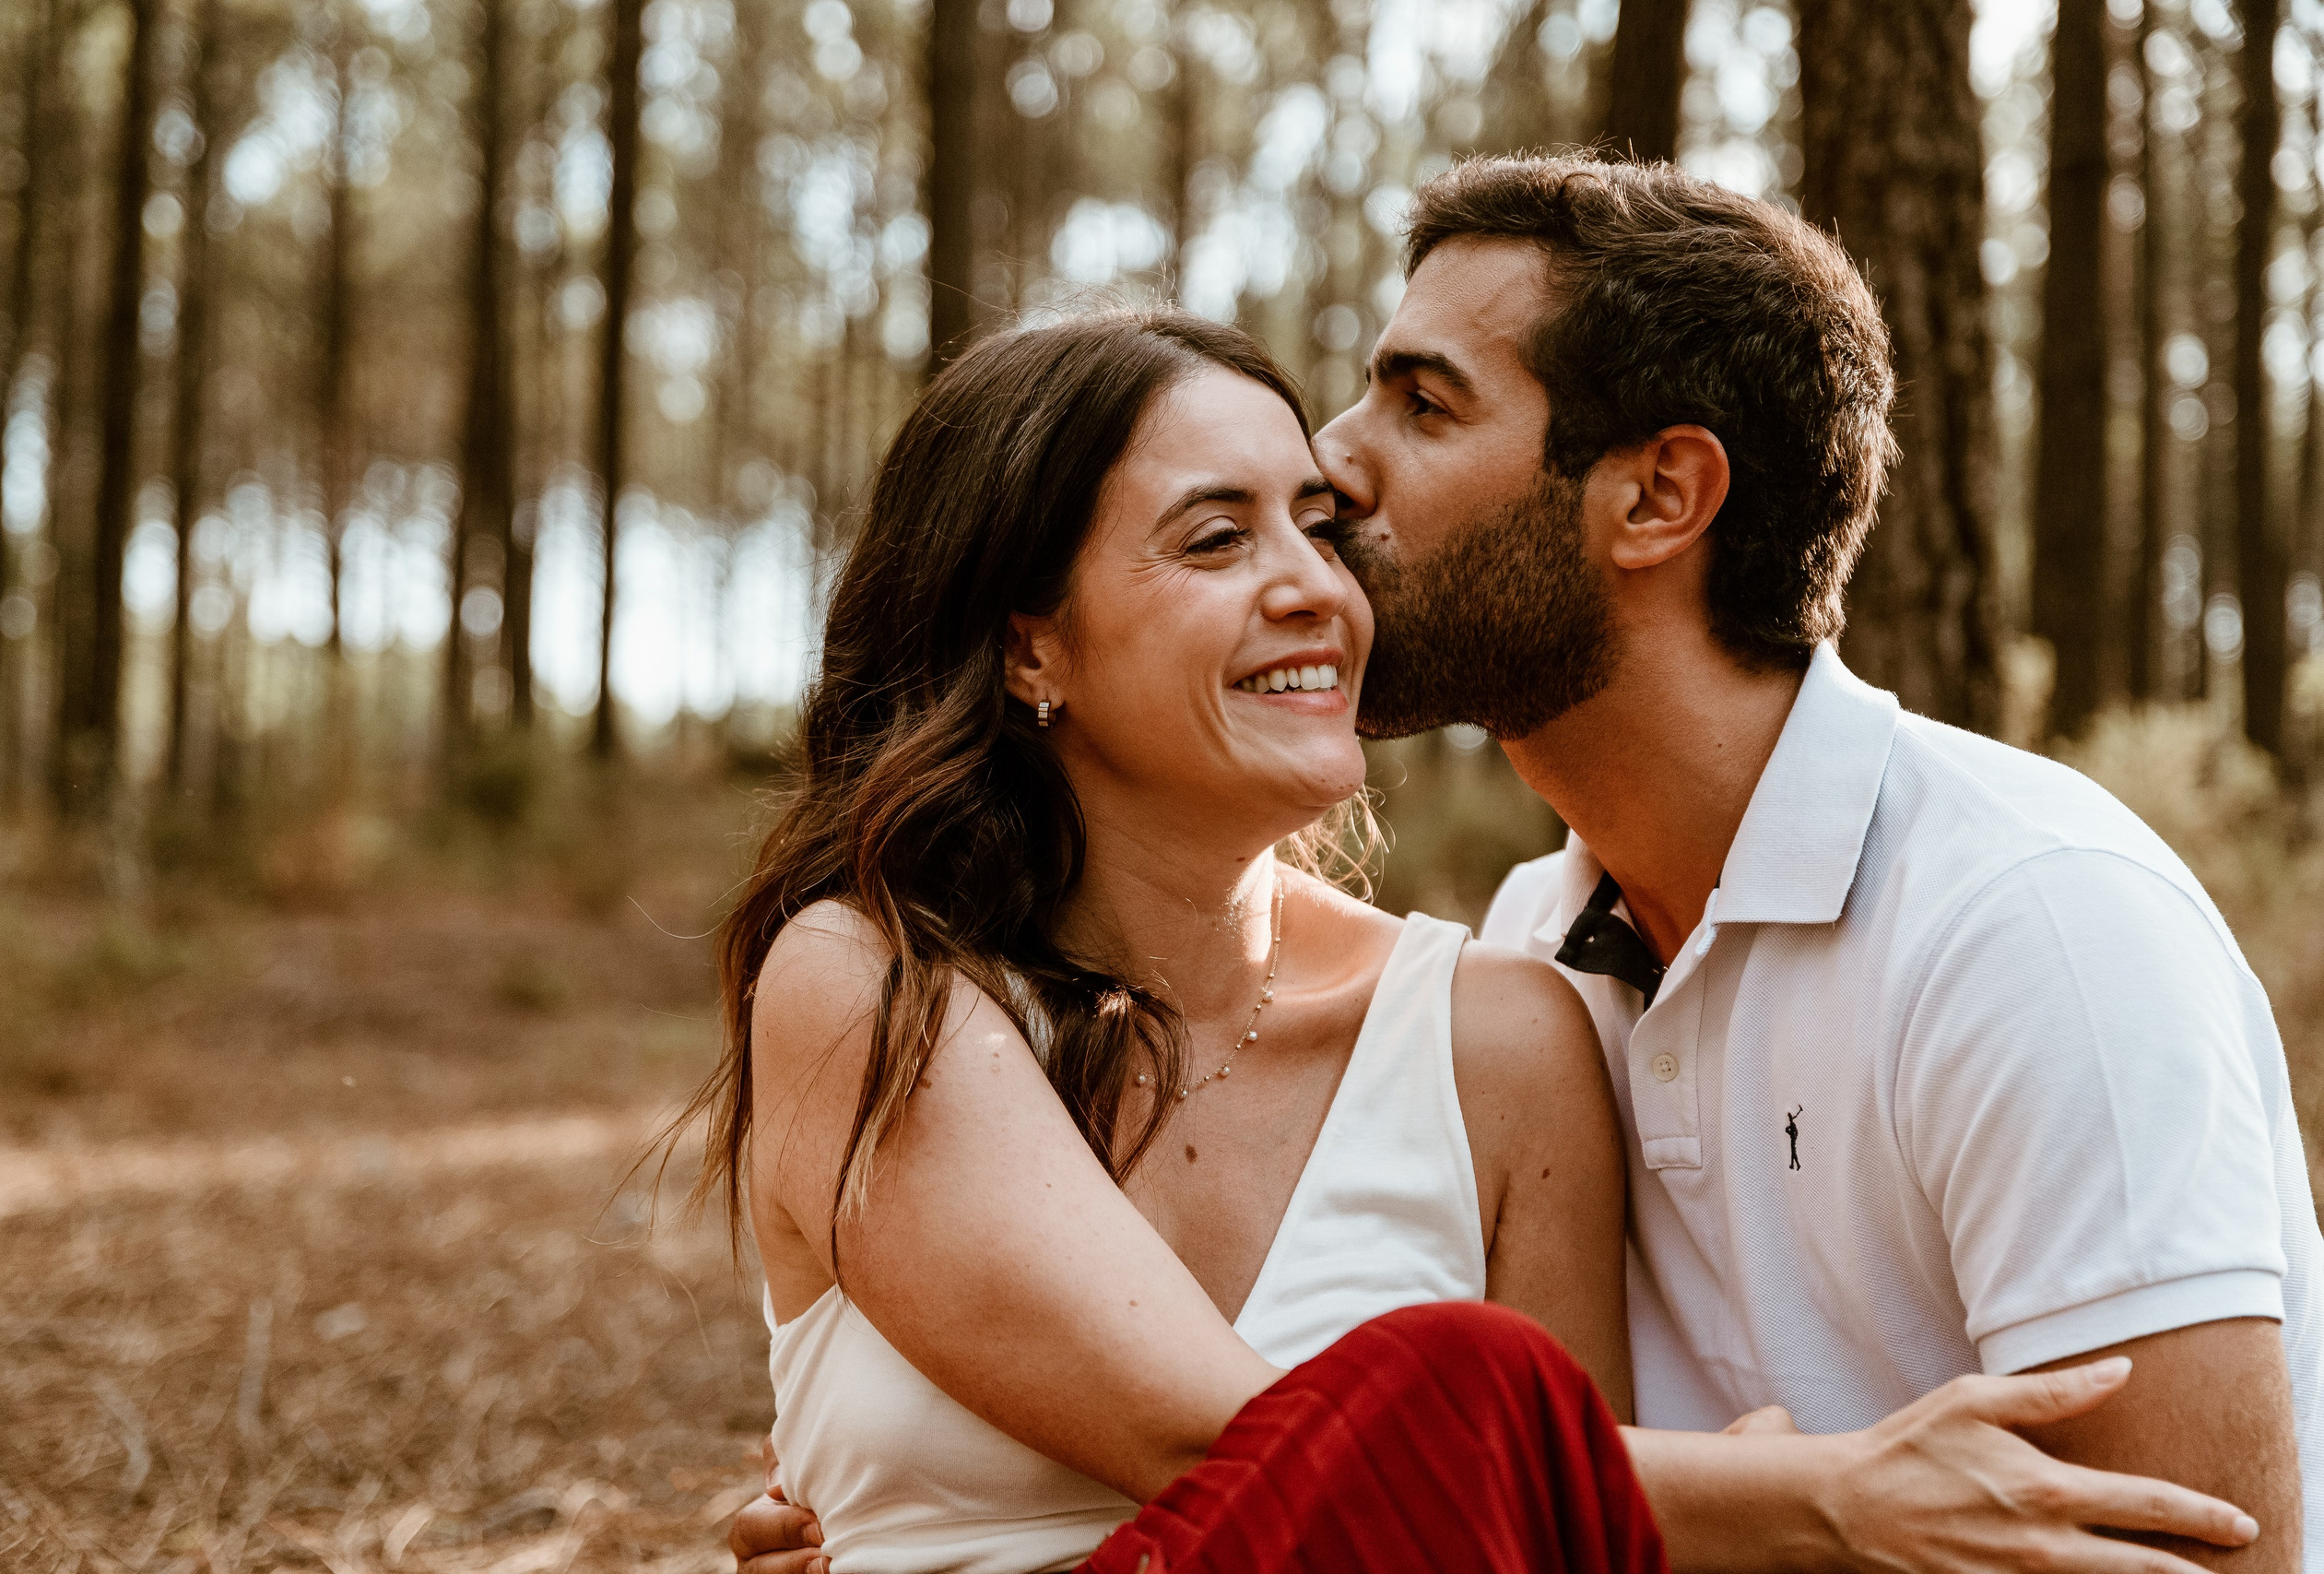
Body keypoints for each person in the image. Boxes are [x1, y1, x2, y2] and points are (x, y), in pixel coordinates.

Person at [731, 158, 2303, 1574]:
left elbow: (2205, 1549)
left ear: (1656, 499)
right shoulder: (1559, 935)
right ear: (1029, 647)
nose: (1340, 480)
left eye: (1422, 405)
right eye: (1224, 532)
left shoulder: (2027, 924)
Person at [697, 308, 1662, 1574]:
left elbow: (1570, 1541)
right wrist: (1821, 1502)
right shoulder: (871, 984)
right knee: (1463, 1376)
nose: (1317, 586)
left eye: (1317, 527)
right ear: (1031, 647)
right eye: (1216, 539)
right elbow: (1240, 1446)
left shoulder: (1500, 1039)